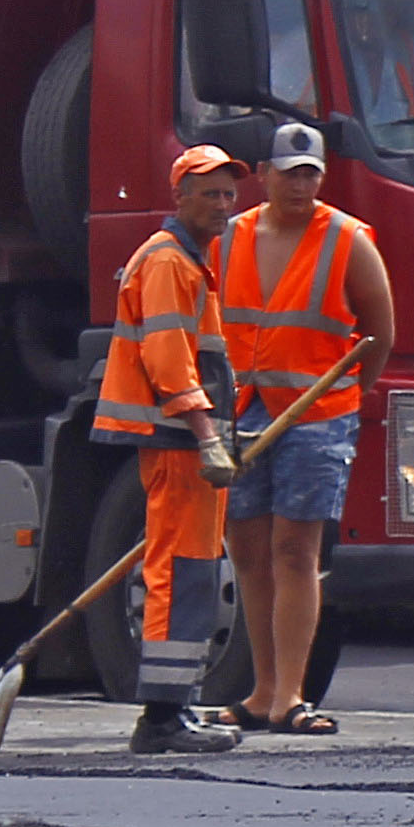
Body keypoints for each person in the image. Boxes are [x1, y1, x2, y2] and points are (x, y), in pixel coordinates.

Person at [213, 125, 391, 736]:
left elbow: (378, 334)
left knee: (295, 551)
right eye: (290, 171)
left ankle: (291, 694)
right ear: (264, 173)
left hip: (316, 413)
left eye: (310, 172)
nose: (301, 182)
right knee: (248, 553)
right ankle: (261, 692)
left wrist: (344, 400)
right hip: (240, 412)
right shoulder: (229, 238)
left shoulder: (346, 239)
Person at [97, 147, 249, 753]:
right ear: (179, 197)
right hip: (178, 441)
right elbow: (169, 363)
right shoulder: (168, 263)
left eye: (229, 195)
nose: (223, 206)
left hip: (184, 441)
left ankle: (174, 709)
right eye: (209, 194)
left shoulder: (189, 260)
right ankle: (161, 719)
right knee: (181, 572)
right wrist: (209, 435)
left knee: (191, 570)